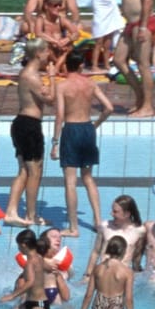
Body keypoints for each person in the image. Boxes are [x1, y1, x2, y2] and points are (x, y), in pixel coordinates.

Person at [52, 47, 114, 236]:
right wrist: (95, 125)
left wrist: (55, 142)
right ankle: (97, 221)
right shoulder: (91, 84)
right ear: (80, 66)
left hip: (71, 130)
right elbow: (109, 108)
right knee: (88, 178)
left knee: (70, 181)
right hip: (87, 129)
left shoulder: (62, 86)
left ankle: (73, 227)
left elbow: (60, 115)